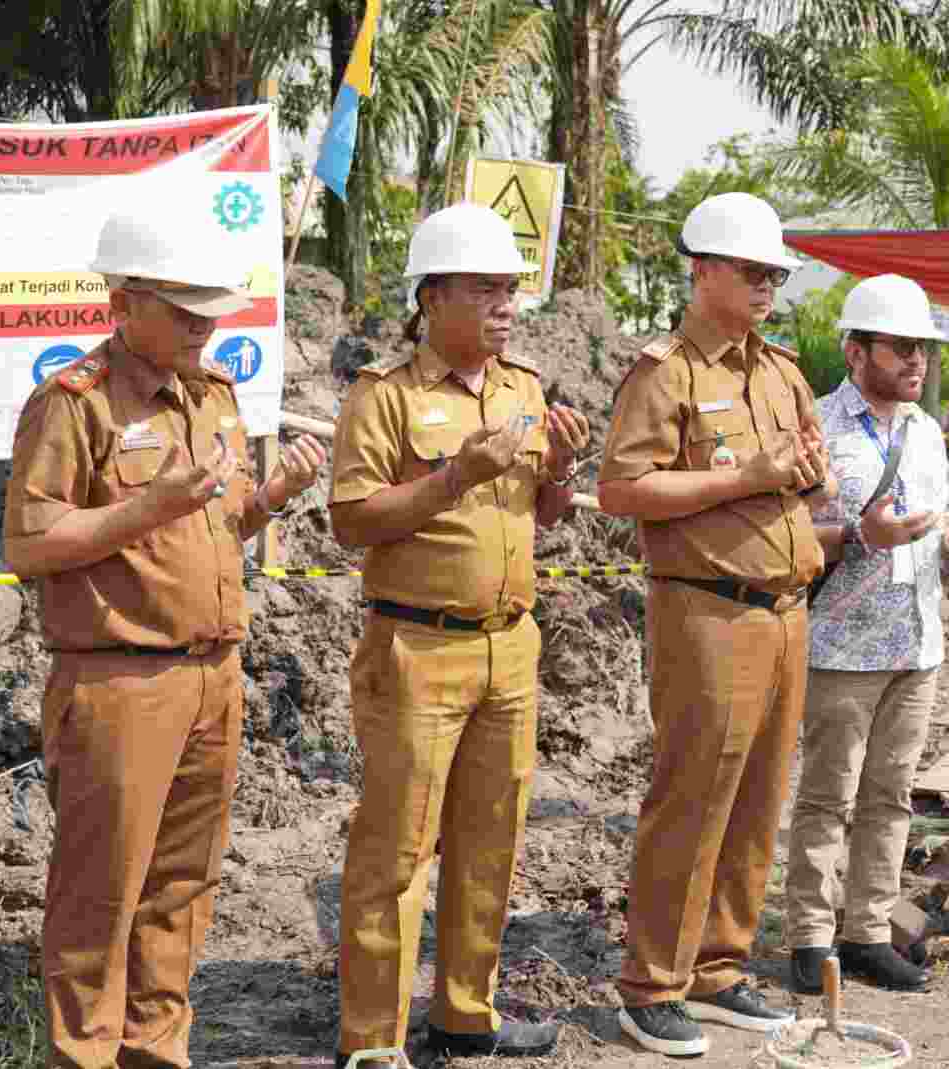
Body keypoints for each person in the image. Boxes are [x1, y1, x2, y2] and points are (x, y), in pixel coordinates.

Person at [5, 207, 327, 1069]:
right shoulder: (73, 404)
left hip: (213, 677)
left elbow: (219, 521)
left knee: (181, 892)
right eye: (184, 311)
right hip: (119, 684)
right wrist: (148, 506)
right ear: (123, 302)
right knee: (98, 899)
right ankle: (83, 1056)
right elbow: (30, 544)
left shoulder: (212, 395)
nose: (205, 325)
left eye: (210, 309)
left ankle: (157, 1052)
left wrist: (272, 500)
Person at [328, 203, 589, 1065]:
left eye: (510, 288)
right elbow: (352, 520)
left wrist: (564, 473)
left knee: (490, 839)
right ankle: (373, 1039)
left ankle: (465, 1015)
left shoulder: (523, 387)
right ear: (433, 295)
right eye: (485, 287)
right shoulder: (385, 395)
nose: (505, 303)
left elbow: (541, 512)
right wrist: (453, 475)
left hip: (510, 645)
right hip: (416, 648)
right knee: (396, 850)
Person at [598, 191, 832, 1057]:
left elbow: (804, 474)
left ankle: (720, 966)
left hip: (785, 608)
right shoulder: (667, 373)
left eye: (775, 270)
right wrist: (751, 476)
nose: (769, 282)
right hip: (706, 608)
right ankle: (652, 982)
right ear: (703, 272)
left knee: (760, 800)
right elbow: (622, 490)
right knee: (693, 799)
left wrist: (804, 476)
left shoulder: (781, 371)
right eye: (753, 268)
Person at [786, 275, 949, 994]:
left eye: (923, 350)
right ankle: (809, 935)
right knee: (826, 795)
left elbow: (936, 525)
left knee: (891, 793)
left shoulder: (928, 432)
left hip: (916, 643)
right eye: (900, 347)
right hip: (843, 642)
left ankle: (867, 930)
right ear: (855, 349)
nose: (917, 362)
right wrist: (856, 535)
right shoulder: (816, 426)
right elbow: (784, 533)